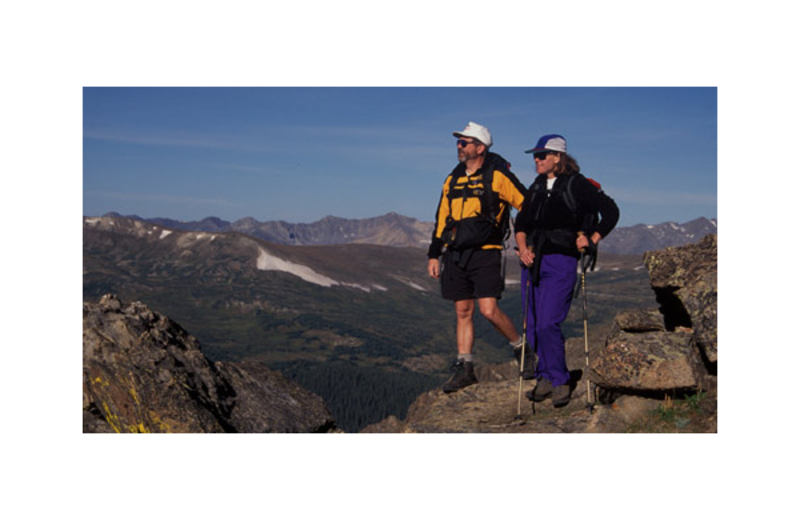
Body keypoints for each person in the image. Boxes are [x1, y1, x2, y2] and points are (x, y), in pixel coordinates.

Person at [514, 134, 619, 407]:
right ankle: (545, 376)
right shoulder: (536, 186)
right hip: (531, 262)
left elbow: (611, 211)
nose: (536, 160)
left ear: (557, 157)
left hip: (560, 261)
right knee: (534, 325)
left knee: (548, 322)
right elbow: (521, 223)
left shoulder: (578, 185)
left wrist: (592, 238)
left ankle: (559, 381)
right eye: (535, 156)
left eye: (542, 155)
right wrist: (523, 248)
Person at [427, 122, 529, 393]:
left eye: (464, 142)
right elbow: (442, 218)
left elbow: (526, 204)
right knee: (462, 311)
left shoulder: (497, 176)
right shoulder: (452, 178)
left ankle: (521, 350)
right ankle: (465, 369)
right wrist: (434, 253)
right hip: (456, 254)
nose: (459, 146)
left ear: (480, 147)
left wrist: (525, 239)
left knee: (488, 310)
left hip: (486, 253)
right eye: (459, 142)